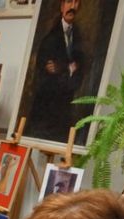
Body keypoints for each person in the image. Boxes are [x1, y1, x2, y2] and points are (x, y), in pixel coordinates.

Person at [27, 0, 85, 142]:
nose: (72, 7)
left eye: (76, 3)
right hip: (48, 106)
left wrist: (66, 69)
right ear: (61, 6)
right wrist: (66, 67)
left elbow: (79, 65)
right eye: (69, 2)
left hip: (65, 104)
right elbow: (46, 68)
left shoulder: (78, 36)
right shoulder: (51, 38)